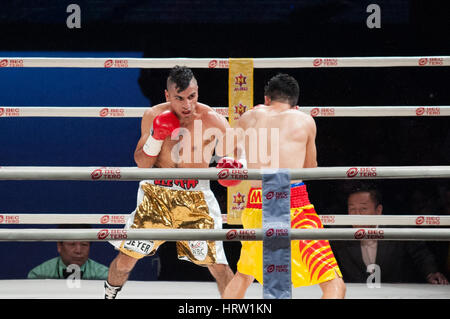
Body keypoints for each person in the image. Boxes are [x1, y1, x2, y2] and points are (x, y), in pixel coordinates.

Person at [105, 66, 234, 299]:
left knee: (218, 265)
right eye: (180, 98)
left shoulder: (213, 120)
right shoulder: (153, 115)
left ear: (197, 92)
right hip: (156, 194)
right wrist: (157, 136)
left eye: (192, 97)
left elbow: (234, 158)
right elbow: (142, 164)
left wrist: (232, 166)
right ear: (167, 95)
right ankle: (109, 295)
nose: (187, 105)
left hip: (196, 198)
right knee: (125, 260)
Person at [222, 73, 346, 299]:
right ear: (295, 103)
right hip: (293, 204)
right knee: (333, 282)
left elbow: (233, 160)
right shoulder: (305, 120)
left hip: (257, 203)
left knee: (244, 276)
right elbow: (309, 168)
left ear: (267, 98)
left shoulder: (248, 117)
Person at [330, 182, 449, 284]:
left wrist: (431, 273)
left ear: (378, 211)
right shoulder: (339, 233)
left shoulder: (398, 229)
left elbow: (420, 253)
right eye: (352, 209)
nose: (357, 215)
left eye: (363, 209)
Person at [28, 224, 109, 280]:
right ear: (59, 246)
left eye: (84, 245)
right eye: (72, 244)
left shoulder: (106, 276)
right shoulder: (38, 275)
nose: (78, 250)